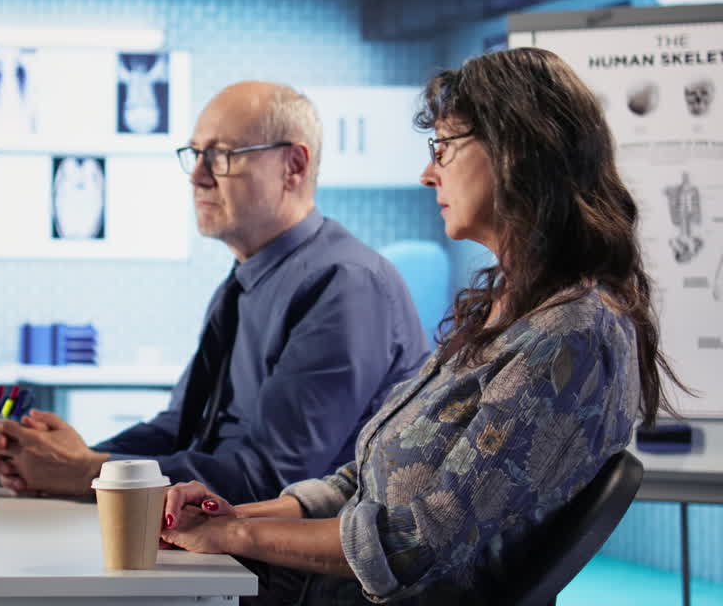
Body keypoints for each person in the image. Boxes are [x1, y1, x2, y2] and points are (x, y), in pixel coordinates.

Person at [158, 48, 690, 605]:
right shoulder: (503, 311)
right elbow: (358, 482)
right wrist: (230, 515)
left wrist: (236, 534)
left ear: (516, 152)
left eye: (444, 148)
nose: (427, 172)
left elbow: (414, 542)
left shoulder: (572, 338)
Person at [0, 81, 430, 504]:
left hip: (305, 572)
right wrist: (67, 459)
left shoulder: (344, 285)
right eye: (195, 154)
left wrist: (88, 471)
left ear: (293, 165)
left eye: (221, 155)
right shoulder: (246, 281)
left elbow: (277, 478)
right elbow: (181, 428)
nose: (197, 176)